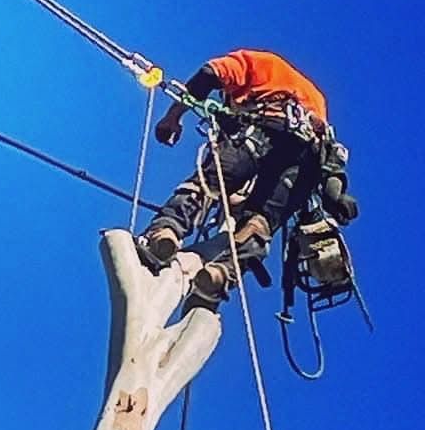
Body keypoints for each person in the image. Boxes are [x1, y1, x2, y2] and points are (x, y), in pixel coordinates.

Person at [137, 49, 357, 309]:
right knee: (260, 224)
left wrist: (172, 117)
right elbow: (331, 160)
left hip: (262, 133)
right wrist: (336, 195)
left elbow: (209, 74)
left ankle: (166, 232)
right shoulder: (317, 101)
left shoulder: (259, 63)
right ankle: (221, 274)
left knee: (207, 185)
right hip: (305, 161)